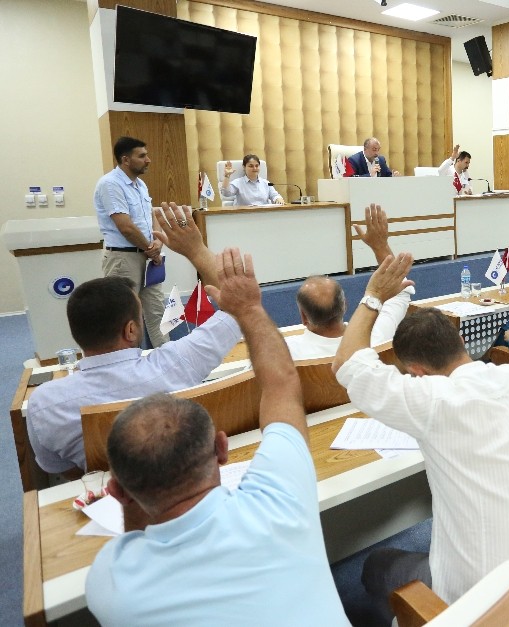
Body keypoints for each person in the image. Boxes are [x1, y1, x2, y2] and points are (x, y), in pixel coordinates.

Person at [86, 247, 349, 626]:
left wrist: (130, 496)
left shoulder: (110, 579)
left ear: (117, 490)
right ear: (221, 449)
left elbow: (133, 535)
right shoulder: (280, 497)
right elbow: (282, 384)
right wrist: (250, 308)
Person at [332, 261, 509, 623]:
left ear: (417, 373)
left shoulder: (434, 401)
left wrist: (373, 295)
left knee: (377, 565)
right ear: (461, 343)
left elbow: (346, 362)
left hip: (479, 604)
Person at [26, 204, 241, 475]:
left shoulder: (45, 403)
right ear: (130, 330)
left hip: (110, 494)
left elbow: (58, 469)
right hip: (186, 478)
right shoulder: (175, 363)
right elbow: (240, 307)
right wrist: (196, 250)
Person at [286, 205, 413, 360]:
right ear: (344, 305)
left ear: (303, 317)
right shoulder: (375, 336)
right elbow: (400, 291)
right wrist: (380, 247)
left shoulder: (287, 351)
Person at [94, 136, 169, 347]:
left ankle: (167, 357)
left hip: (148, 257)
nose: (148, 160)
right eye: (142, 156)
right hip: (123, 259)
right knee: (124, 317)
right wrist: (151, 249)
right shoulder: (110, 184)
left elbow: (151, 215)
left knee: (157, 312)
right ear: (125, 160)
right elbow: (125, 226)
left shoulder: (140, 184)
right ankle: (127, 362)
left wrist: (157, 240)